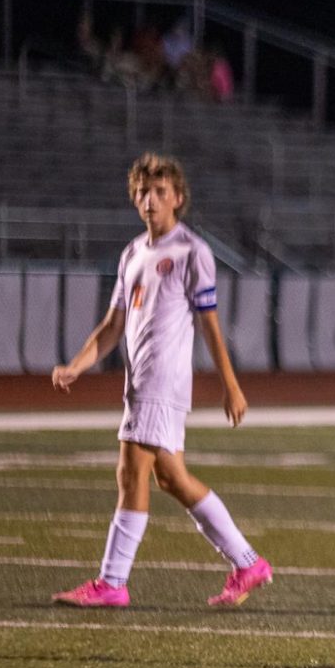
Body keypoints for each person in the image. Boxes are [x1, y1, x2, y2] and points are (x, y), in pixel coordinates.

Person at [50, 153, 272, 608]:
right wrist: (78, 363)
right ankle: (248, 563)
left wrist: (230, 385)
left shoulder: (192, 252)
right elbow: (113, 324)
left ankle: (112, 583)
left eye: (159, 192)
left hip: (161, 381)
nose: (149, 200)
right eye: (142, 192)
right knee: (172, 479)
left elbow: (209, 323)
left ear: (178, 199)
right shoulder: (133, 252)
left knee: (130, 473)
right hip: (139, 383)